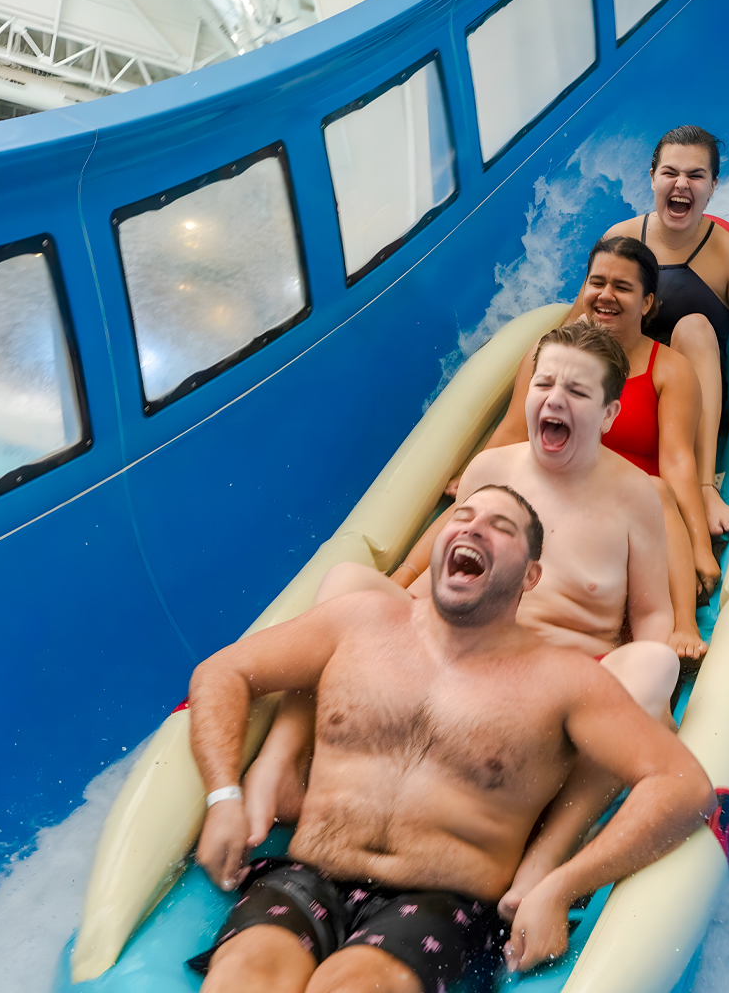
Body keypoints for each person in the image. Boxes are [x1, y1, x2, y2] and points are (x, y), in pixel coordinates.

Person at [244, 319, 691, 924]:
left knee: (653, 661)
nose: (555, 400)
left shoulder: (635, 494)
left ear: (610, 415)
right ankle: (282, 761)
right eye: (545, 383)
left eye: (578, 393)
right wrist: (396, 589)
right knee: (347, 586)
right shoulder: (491, 470)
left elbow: (651, 614)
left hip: (555, 690)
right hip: (453, 655)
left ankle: (547, 852)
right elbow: (443, 565)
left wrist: (649, 700)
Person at [188, 485, 716, 993]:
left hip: (444, 903)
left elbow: (683, 785)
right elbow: (223, 673)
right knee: (243, 978)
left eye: (500, 526)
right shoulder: (359, 622)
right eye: (463, 517)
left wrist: (563, 884)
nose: (474, 527)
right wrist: (223, 795)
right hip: (308, 877)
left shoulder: (564, 680)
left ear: (530, 576)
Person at [473, 237, 719, 612]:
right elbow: (512, 433)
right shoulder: (549, 356)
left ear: (647, 302)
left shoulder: (669, 370)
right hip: (556, 499)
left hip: (628, 517)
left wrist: (699, 545)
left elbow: (678, 461)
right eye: (597, 283)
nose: (606, 295)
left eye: (622, 287)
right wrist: (472, 479)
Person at [605, 124, 729, 536]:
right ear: (652, 177)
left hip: (694, 413)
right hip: (631, 395)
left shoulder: (727, 255)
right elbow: (584, 322)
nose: (681, 184)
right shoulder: (621, 241)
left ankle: (705, 488)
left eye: (696, 175)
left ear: (713, 186)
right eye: (670, 172)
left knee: (693, 328)